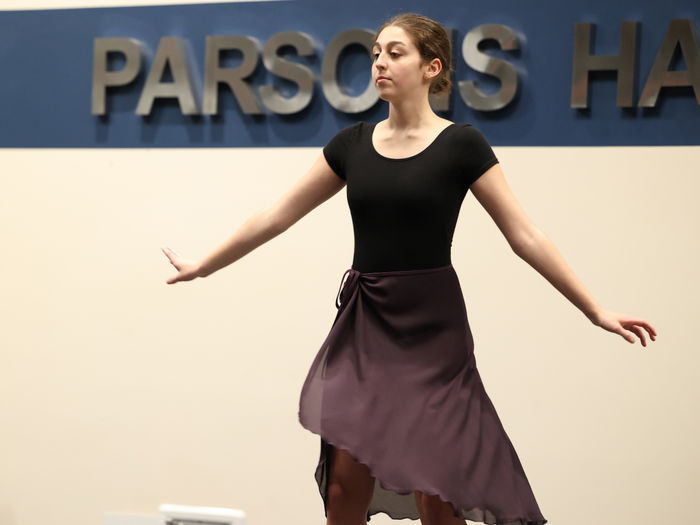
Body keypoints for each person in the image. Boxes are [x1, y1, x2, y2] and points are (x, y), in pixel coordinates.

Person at [162, 12, 657, 525]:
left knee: (436, 493)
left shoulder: (462, 145)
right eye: (376, 52)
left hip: (432, 335)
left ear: (431, 67)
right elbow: (276, 214)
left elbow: (524, 235)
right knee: (343, 489)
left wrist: (595, 309)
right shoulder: (351, 145)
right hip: (365, 325)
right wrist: (205, 265)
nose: (380, 62)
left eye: (396, 53)